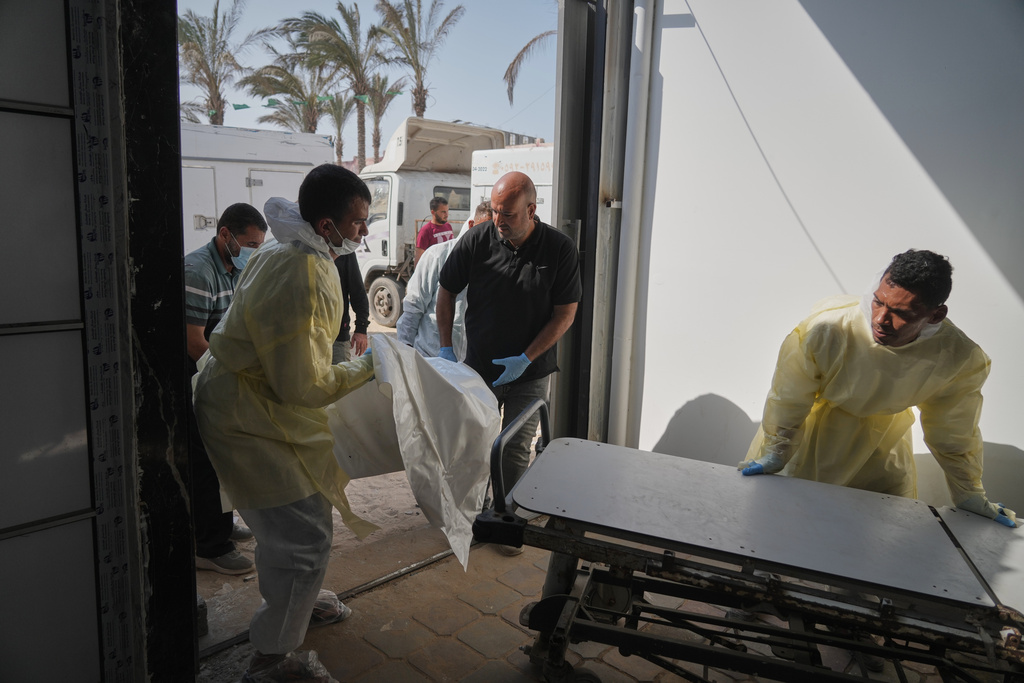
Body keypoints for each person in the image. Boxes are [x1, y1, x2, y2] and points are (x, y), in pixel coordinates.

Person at [193, 164, 377, 680]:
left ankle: (303, 598)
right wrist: (368, 366)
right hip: (246, 417)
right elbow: (302, 386)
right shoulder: (303, 273)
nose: (364, 232)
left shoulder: (292, 249)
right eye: (359, 223)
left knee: (300, 514)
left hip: (247, 402)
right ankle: (272, 656)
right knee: (302, 535)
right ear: (326, 225)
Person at [739, 249, 1016, 528]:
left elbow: (954, 432)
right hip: (807, 439)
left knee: (868, 537)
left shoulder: (957, 358)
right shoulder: (827, 330)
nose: (881, 319)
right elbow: (790, 397)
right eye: (878, 302)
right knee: (782, 528)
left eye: (901, 313)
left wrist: (969, 492)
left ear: (936, 315)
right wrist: (778, 450)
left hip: (881, 449)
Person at [437, 172, 582, 553]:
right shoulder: (478, 238)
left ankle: (507, 519)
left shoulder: (559, 249)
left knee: (515, 446)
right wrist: (446, 348)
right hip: (479, 369)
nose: (500, 221)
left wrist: (526, 357)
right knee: (476, 442)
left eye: (509, 214)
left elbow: (565, 313)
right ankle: (471, 515)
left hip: (529, 371)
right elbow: (446, 290)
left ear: (532, 210)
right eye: (496, 211)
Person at [184, 203, 267, 574]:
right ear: (225, 235)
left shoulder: (236, 267)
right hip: (196, 373)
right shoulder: (199, 271)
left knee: (225, 453)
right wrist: (230, 376)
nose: (253, 250)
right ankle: (209, 546)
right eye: (248, 243)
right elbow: (193, 342)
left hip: (216, 369)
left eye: (258, 245)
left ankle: (220, 522)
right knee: (205, 458)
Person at [397, 200, 493, 358]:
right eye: (483, 231)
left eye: (494, 235)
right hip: (431, 357)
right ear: (470, 225)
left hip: (469, 366)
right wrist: (404, 352)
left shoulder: (493, 264)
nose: (488, 240)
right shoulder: (437, 256)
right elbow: (413, 308)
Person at [332, 252, 369, 363]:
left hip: (337, 336)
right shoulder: (299, 245)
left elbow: (358, 292)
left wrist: (361, 329)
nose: (365, 233)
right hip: (306, 337)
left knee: (340, 378)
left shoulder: (343, 251)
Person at [414, 196, 453, 265]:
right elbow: (418, 259)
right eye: (443, 212)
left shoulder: (448, 226)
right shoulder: (426, 231)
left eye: (447, 211)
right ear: (433, 212)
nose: (447, 215)